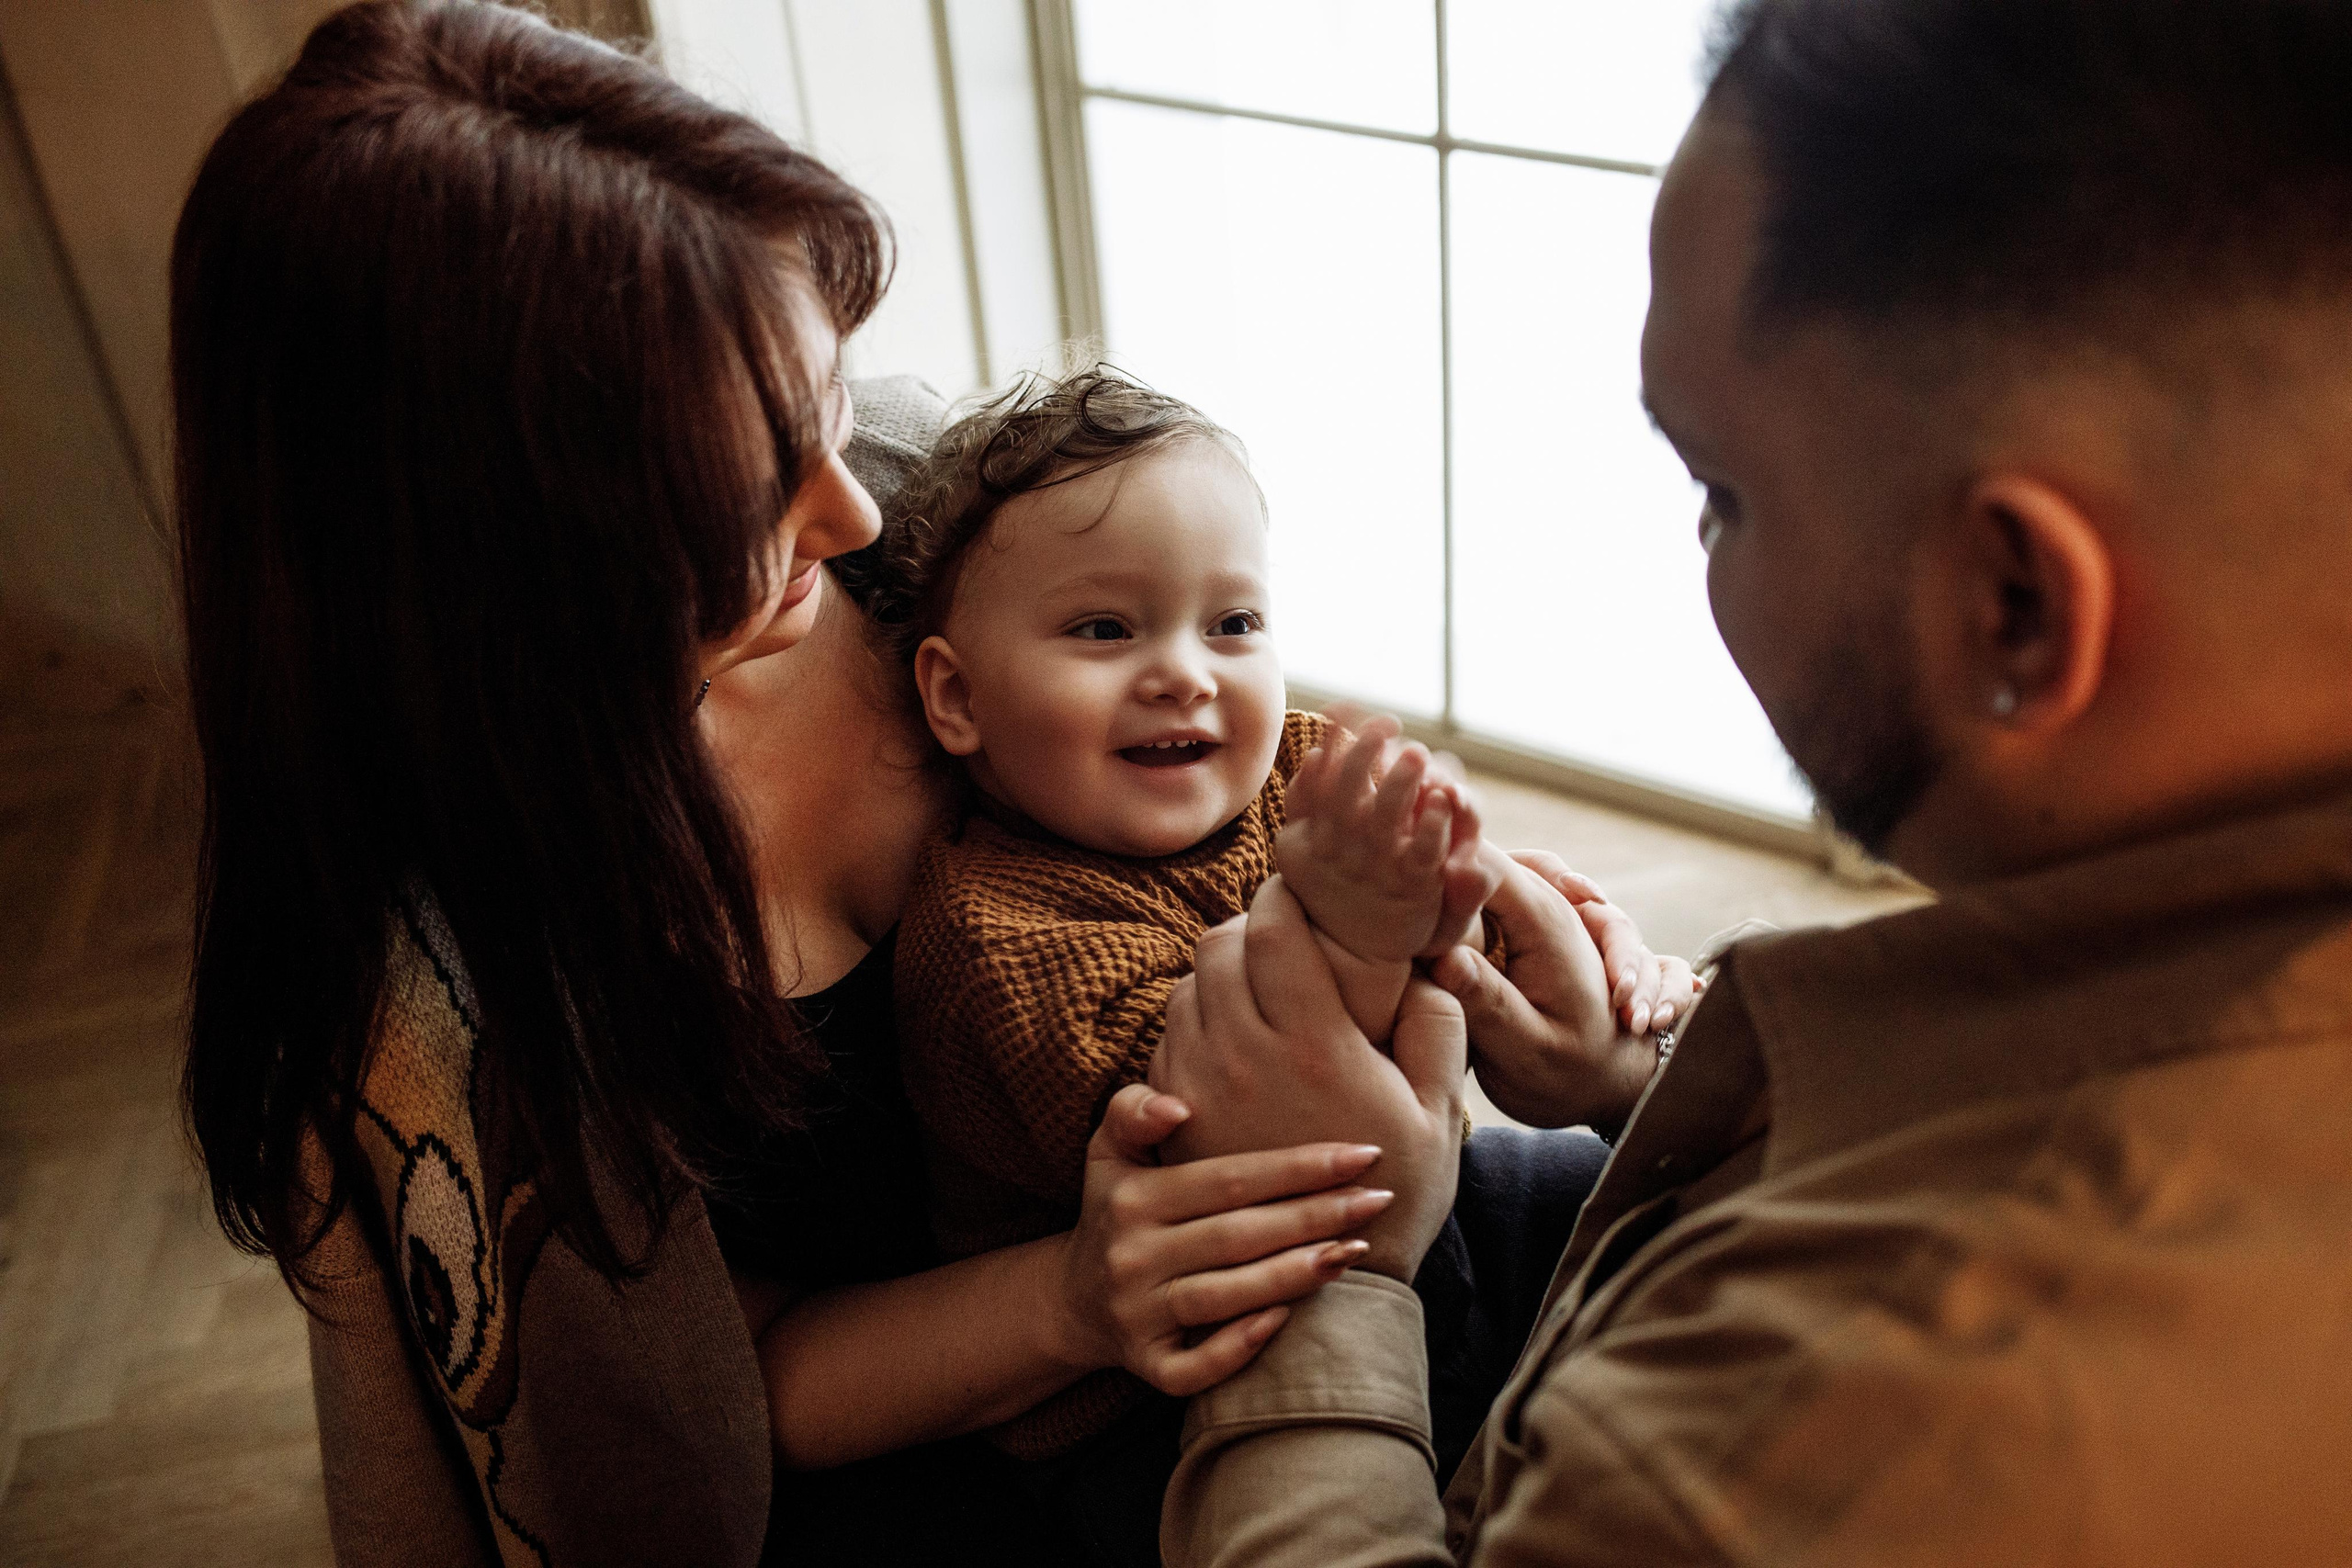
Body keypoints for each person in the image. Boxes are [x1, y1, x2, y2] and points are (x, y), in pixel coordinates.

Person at [171, 6, 1418, 1563]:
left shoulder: (913, 518)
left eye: (820, 411)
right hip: (936, 1454)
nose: (842, 513)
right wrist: (1079, 1296)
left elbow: (1226, 733)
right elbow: (722, 1396)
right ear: (497, 563)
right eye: (748, 488)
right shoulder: (466, 987)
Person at [1145, 0, 2352, 1562]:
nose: (1696, 546)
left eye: (1722, 491)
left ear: (2017, 606)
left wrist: (1323, 1262)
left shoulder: (1820, 1435)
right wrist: (1650, 1091)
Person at [842, 367, 1695, 1562]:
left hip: (1404, 1212)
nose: (1186, 672)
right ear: (955, 695)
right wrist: (1372, 920)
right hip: (1170, 1379)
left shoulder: (1289, 763)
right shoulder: (996, 938)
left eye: (1233, 624)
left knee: (1613, 1200)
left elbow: (1451, 901)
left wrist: (1559, 948)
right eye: (1105, 629)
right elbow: (1235, 1115)